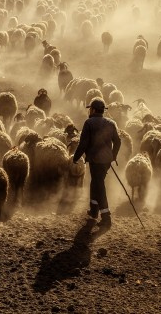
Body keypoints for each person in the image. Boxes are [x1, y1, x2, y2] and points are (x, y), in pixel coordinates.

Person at [73, 98, 121, 230]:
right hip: (105, 161)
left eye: (90, 109)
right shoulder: (111, 123)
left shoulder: (89, 123)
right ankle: (94, 211)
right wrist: (113, 156)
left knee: (99, 185)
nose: (89, 111)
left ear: (93, 110)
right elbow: (118, 141)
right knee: (95, 182)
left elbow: (83, 144)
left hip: (95, 160)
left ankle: (106, 218)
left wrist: (75, 158)